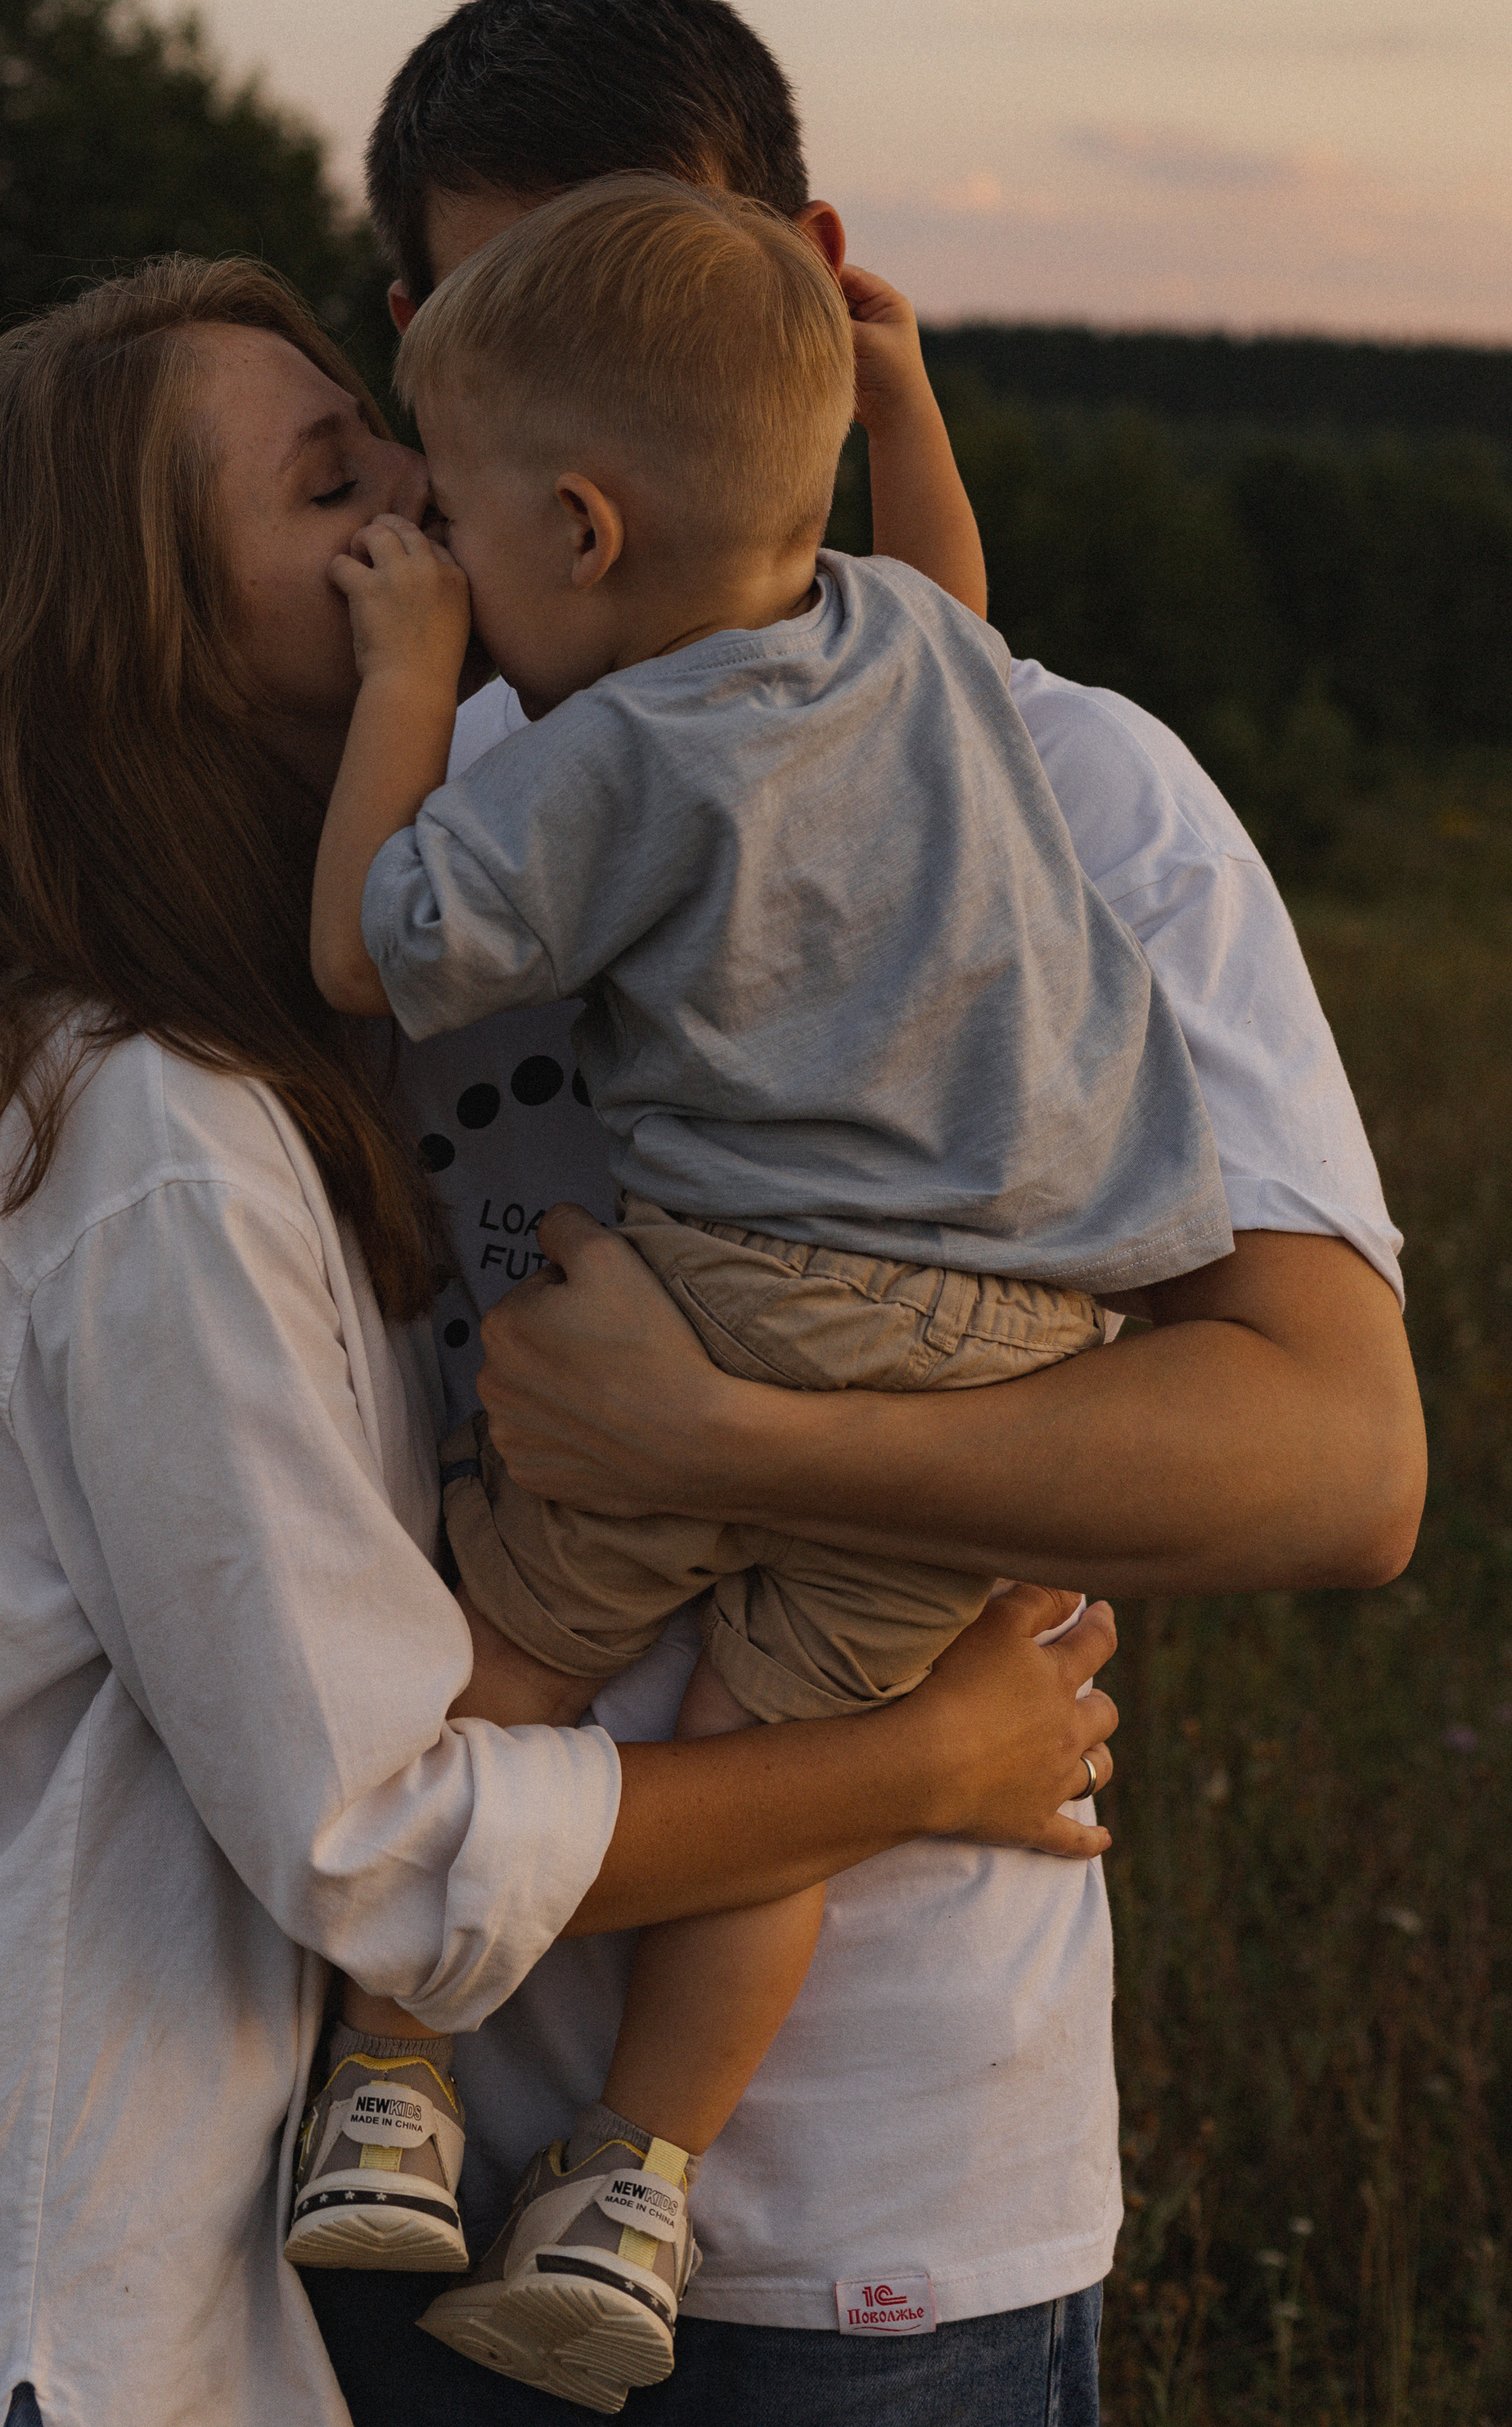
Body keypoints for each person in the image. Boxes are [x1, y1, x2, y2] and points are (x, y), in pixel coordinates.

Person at [0, 0, 1423, 2425]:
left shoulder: (1073, 793)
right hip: (345, 2189)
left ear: (804, 285)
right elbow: (188, 1329)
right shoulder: (355, 770)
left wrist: (737, 1448)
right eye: (506, 337)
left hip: (887, 2230)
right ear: (430, 368)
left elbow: (1339, 1466)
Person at [0, 253, 1119, 2427]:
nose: (430, 506)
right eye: (340, 480)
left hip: (90, 2261)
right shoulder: (157, 1127)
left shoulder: (227, 1057)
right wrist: (927, 1766)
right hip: (15, 2308)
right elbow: (376, 1848)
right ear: (143, 651)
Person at [290, 174, 1234, 2407]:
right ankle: (636, 2186)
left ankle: (397, 2080)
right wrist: (902, 404)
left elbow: (362, 951)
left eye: (478, 533)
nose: (456, 562)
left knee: (509, 1646)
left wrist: (411, 670)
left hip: (739, 1309)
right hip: (1017, 1328)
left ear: (587, 535)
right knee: (790, 1765)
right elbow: (951, 590)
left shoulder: (616, 754)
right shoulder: (905, 655)